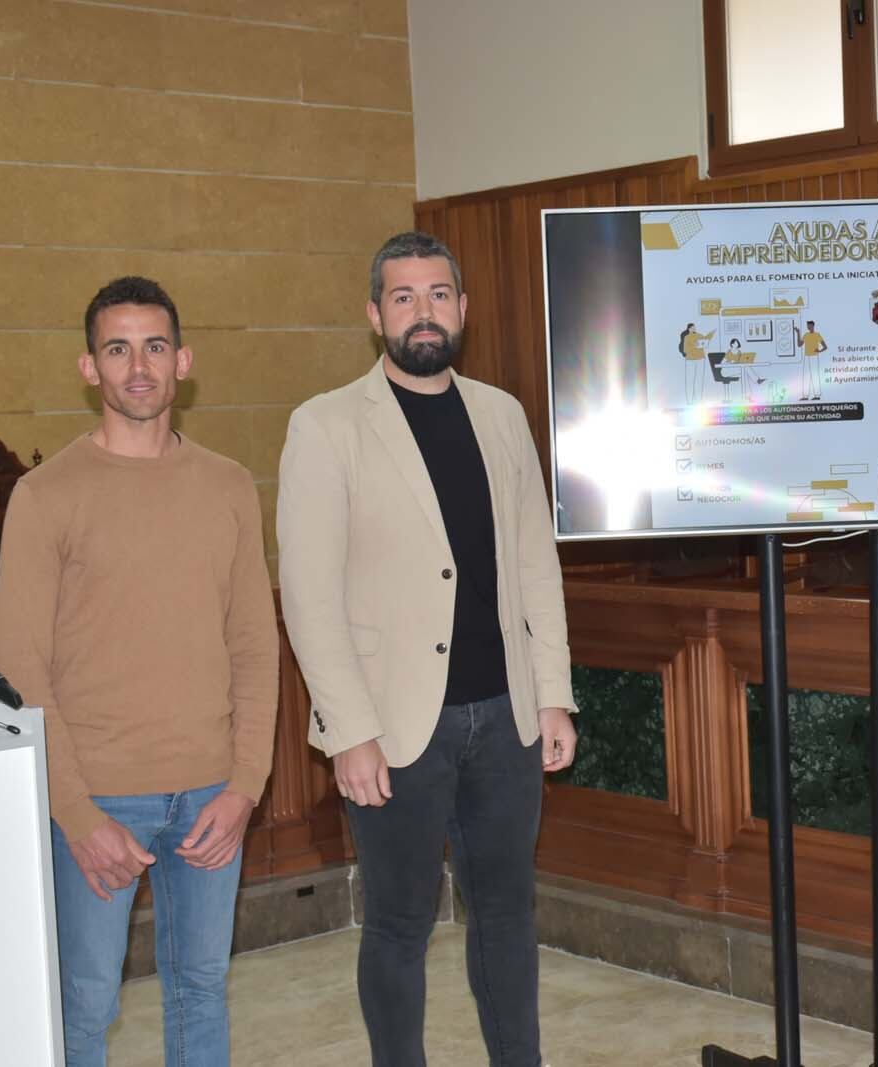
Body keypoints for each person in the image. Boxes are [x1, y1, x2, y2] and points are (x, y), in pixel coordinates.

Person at [277, 231, 578, 1067]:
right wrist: (348, 730)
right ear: (375, 314)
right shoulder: (326, 425)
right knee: (401, 927)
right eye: (403, 297)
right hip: (394, 727)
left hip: (507, 716)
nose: (423, 312)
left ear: (463, 309)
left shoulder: (503, 414)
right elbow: (309, 595)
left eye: (438, 294)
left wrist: (553, 691)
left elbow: (533, 562)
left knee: (508, 919)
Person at [0, 276, 279, 1067]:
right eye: (117, 349)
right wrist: (77, 816)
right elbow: (22, 670)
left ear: (183, 359)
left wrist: (246, 785)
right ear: (90, 368)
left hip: (211, 796)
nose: (139, 366)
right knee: (84, 1005)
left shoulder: (226, 485)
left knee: (201, 992)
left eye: (154, 346)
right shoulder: (44, 497)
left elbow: (256, 646)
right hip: (99, 796)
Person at [680, 321, 715, 404]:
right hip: (690, 360)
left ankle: (699, 401)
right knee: (690, 380)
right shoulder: (686, 337)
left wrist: (712, 333)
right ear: (688, 329)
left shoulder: (699, 335)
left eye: (694, 327)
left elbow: (706, 339)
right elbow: (685, 350)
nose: (694, 328)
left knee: (699, 380)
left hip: (700, 359)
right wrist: (694, 346)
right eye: (692, 327)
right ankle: (689, 401)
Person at [794, 318, 826, 400]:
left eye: (809, 326)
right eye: (807, 326)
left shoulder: (817, 335)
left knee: (815, 375)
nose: (808, 327)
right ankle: (805, 396)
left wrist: (819, 350)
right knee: (806, 376)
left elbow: (825, 347)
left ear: (813, 326)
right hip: (807, 356)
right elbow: (799, 345)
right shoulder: (806, 335)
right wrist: (798, 333)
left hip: (814, 357)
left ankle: (817, 395)